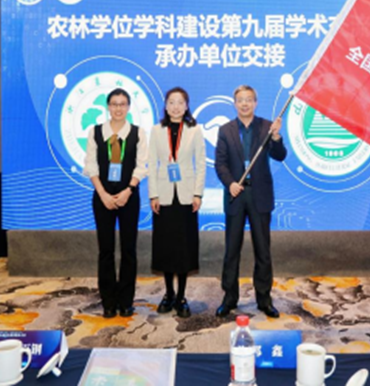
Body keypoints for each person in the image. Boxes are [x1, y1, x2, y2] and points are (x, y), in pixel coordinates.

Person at [214, 85, 287, 319]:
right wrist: (230, 183)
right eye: (240, 100)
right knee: (231, 250)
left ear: (255, 103)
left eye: (249, 99)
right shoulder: (225, 130)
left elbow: (280, 155)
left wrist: (276, 137)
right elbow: (220, 163)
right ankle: (229, 298)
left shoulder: (267, 127)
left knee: (263, 250)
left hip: (260, 195)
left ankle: (264, 299)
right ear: (235, 104)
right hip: (236, 194)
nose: (244, 103)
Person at [83, 88, 148, 318]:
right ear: (108, 107)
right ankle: (108, 301)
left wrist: (128, 190)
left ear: (128, 107)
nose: (118, 108)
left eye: (122, 104)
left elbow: (142, 165)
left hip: (129, 196)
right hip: (102, 196)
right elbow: (91, 166)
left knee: (129, 250)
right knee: (106, 250)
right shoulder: (95, 132)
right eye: (114, 104)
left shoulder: (138, 133)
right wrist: (102, 194)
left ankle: (126, 301)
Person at [147, 87, 206, 318]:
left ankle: (181, 296)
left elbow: (200, 164)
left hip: (186, 196)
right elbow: (152, 164)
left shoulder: (195, 130)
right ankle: (168, 294)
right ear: (165, 105)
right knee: (165, 246)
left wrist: (198, 194)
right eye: (171, 102)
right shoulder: (156, 130)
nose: (176, 106)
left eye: (180, 102)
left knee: (184, 247)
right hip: (163, 196)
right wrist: (153, 195)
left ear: (186, 105)